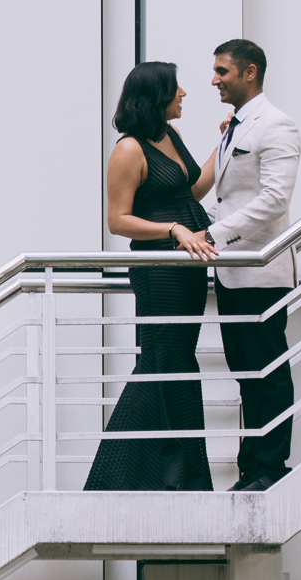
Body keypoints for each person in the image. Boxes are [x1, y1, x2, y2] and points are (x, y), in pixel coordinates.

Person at [84, 62, 216, 492]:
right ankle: (120, 477)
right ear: (155, 96)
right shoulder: (129, 149)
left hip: (186, 268)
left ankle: (178, 475)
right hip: (159, 270)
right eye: (175, 87)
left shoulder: (170, 137)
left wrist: (228, 142)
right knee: (162, 360)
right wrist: (174, 230)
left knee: (177, 363)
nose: (184, 93)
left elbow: (189, 190)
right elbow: (117, 221)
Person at [207, 39, 301, 491]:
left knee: (268, 372)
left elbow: (274, 198)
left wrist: (216, 236)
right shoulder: (234, 127)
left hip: (261, 269)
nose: (214, 80)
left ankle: (272, 466)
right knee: (245, 373)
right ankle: (252, 468)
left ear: (250, 73)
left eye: (222, 71)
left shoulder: (277, 125)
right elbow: (228, 199)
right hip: (231, 271)